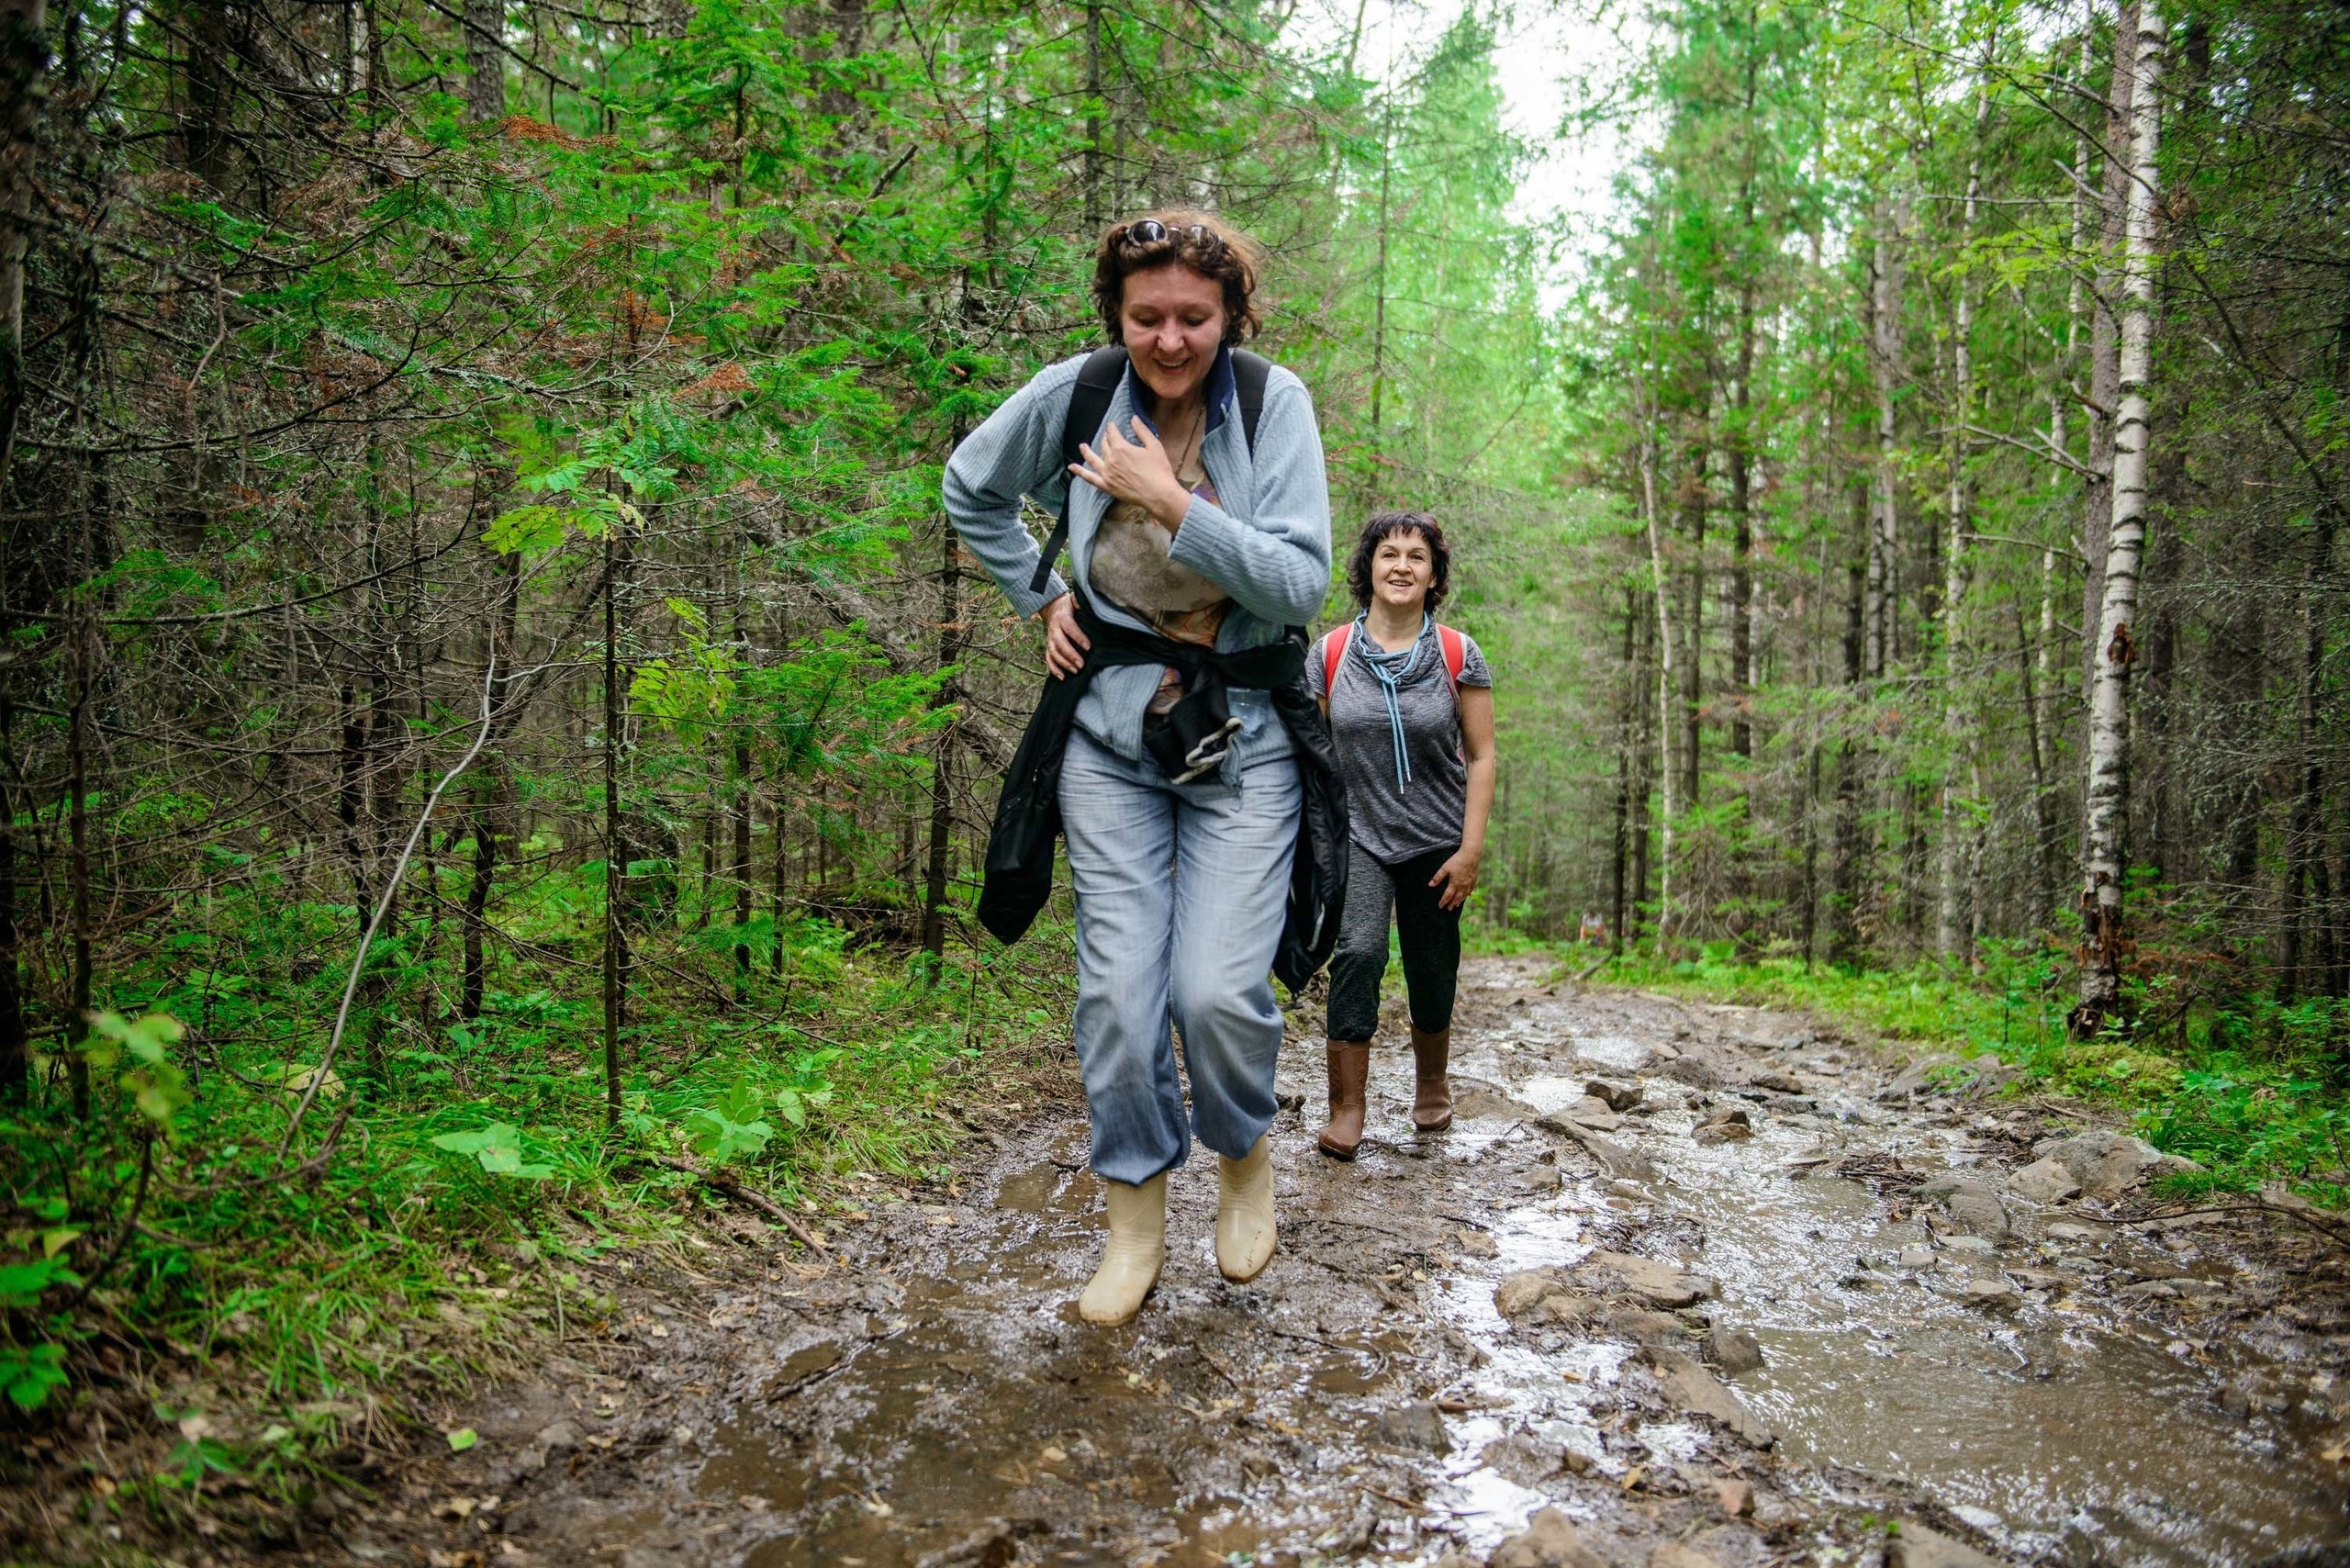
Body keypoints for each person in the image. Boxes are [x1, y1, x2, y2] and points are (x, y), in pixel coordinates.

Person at [943, 213, 1336, 1326]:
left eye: (1194, 319)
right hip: (1108, 735)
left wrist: (1172, 502)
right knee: (1118, 997)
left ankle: (1244, 1150)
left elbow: (1300, 586)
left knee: (1213, 992)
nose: (1169, 339)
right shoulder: (1077, 392)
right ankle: (1132, 1218)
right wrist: (1042, 591)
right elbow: (971, 484)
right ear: (1116, 316)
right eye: (1146, 317)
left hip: (1245, 731)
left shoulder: (1273, 405)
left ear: (1233, 316)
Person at [1309, 511, 1496, 1159]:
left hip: (1438, 839)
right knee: (1359, 952)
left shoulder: (1456, 653)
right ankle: (1348, 1107)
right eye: (1389, 554)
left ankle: (1431, 1084)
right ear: (1368, 570)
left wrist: (1470, 850)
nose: (1402, 566)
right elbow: (1313, 753)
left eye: (1417, 557)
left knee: (1431, 964)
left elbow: (1482, 755)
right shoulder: (1330, 654)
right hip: (1357, 835)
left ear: (1434, 575)